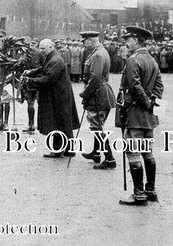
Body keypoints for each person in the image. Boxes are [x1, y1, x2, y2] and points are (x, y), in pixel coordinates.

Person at [117, 26, 164, 206]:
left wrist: (144, 102)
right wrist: (152, 103)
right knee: (148, 152)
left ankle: (139, 194)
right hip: (149, 116)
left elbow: (135, 86)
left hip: (135, 114)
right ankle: (150, 190)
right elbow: (159, 86)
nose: (126, 43)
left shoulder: (132, 60)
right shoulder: (152, 59)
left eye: (128, 40)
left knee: (133, 152)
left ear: (136, 41)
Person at [23, 39, 80, 158]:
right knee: (64, 122)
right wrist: (31, 72)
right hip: (60, 94)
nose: (41, 51)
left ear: (51, 47)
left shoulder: (55, 60)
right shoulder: (52, 57)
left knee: (57, 122)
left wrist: (30, 80)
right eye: (40, 48)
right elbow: (43, 68)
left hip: (57, 96)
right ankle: (69, 149)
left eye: (43, 48)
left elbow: (48, 79)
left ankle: (57, 150)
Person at [79, 31, 116, 169]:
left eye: (84, 41)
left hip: (98, 94)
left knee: (96, 126)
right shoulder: (99, 52)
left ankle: (110, 159)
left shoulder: (98, 55)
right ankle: (96, 153)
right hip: (100, 92)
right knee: (97, 124)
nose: (83, 44)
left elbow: (95, 77)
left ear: (90, 40)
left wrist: (85, 93)